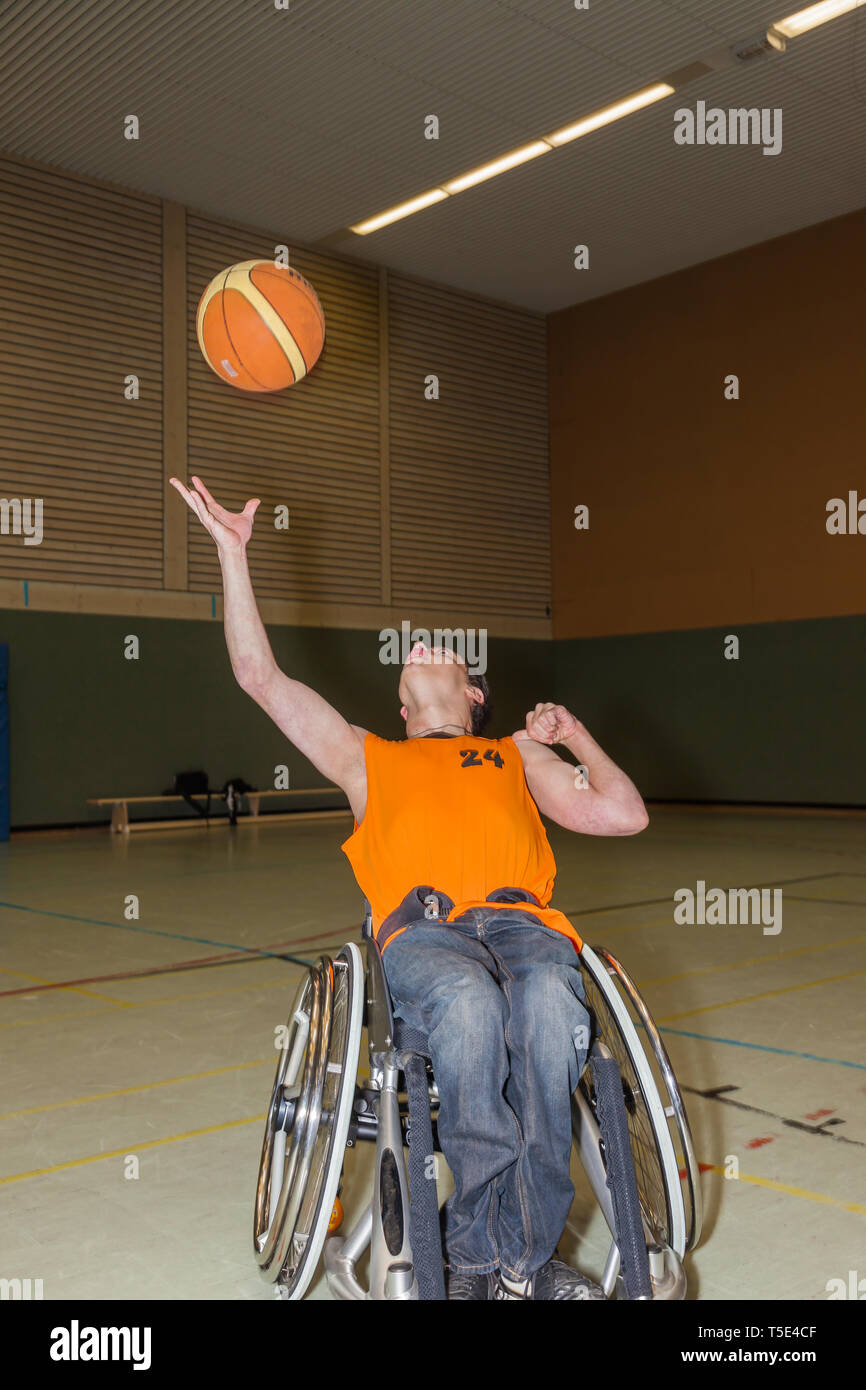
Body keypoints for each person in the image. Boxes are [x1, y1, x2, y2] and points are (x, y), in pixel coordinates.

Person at [170, 474, 650, 1301]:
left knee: (546, 1014)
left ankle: (520, 1261)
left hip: (526, 928)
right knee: (467, 1010)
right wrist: (232, 555)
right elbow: (260, 677)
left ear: (474, 694)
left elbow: (623, 814)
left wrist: (573, 736)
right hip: (425, 935)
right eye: (412, 660)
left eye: (446, 656)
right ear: (401, 704)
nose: (424, 649)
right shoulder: (369, 758)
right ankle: (478, 1256)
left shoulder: (514, 755)